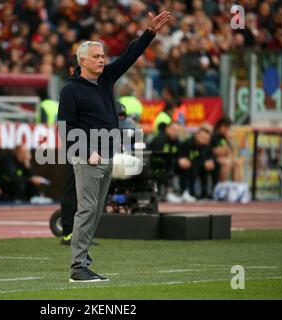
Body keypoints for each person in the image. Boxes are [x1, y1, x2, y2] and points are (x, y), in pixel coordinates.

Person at [57, 10, 171, 283]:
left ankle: (83, 263)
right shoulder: (71, 90)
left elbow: (129, 56)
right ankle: (77, 268)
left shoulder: (106, 78)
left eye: (102, 56)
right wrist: (87, 152)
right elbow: (65, 129)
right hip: (89, 158)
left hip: (108, 155)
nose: (102, 59)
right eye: (96, 56)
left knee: (95, 213)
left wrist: (150, 33)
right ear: (82, 61)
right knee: (86, 211)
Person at [177, 127, 215, 201]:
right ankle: (187, 192)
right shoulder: (187, 144)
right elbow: (182, 158)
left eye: (206, 139)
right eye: (202, 137)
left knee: (214, 166)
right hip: (189, 166)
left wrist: (211, 161)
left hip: (199, 165)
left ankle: (208, 192)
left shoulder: (206, 146)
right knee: (191, 167)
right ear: (196, 135)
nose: (204, 140)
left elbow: (209, 157)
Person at [149, 122, 183, 203]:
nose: (176, 132)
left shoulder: (176, 141)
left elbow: (179, 154)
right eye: (174, 130)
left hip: (169, 163)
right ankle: (168, 192)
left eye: (178, 131)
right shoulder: (160, 139)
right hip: (153, 163)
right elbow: (157, 155)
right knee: (166, 165)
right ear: (167, 129)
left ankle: (184, 192)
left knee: (188, 165)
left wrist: (181, 160)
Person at [211, 117, 243, 182]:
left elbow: (230, 152)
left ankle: (237, 186)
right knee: (227, 163)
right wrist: (228, 141)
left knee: (237, 163)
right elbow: (218, 152)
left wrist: (233, 158)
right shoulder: (214, 136)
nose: (227, 130)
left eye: (228, 128)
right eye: (226, 127)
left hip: (224, 158)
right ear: (221, 126)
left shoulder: (224, 137)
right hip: (213, 158)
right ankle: (223, 186)